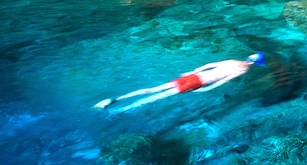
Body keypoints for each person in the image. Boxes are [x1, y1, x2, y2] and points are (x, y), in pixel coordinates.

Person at [94, 52, 265, 113]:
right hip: (196, 83)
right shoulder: (243, 70)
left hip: (191, 77)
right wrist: (206, 90)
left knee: (152, 89)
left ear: (249, 57)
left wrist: (194, 71)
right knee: (159, 97)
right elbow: (223, 81)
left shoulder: (233, 61)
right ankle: (124, 109)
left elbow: (210, 65)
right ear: (255, 64)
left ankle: (114, 99)